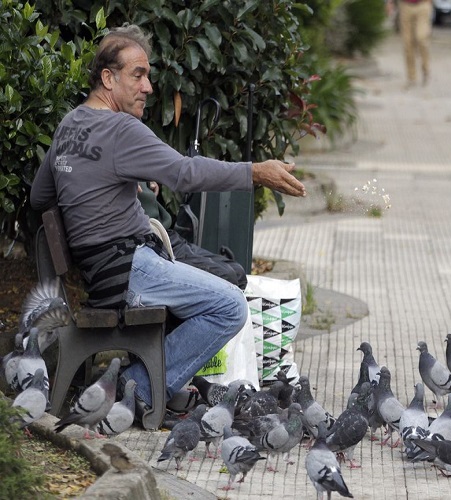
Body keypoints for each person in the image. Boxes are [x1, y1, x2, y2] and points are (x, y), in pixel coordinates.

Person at [30, 24, 306, 418]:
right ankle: (138, 391)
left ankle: (158, 385)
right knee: (230, 305)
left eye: (148, 76)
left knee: (213, 275)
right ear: (108, 79)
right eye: (137, 75)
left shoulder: (69, 124)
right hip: (127, 270)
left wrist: (110, 185)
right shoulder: (121, 128)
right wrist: (255, 172)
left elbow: (41, 197)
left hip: (101, 272)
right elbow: (185, 173)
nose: (148, 88)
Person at [137, 181, 248, 289]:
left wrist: (146, 180)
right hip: (148, 243)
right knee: (226, 278)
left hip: (165, 233)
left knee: (238, 273)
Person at [398, 0, 433, 88]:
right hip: (405, 5)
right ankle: (411, 77)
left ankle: (426, 69)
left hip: (423, 5)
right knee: (407, 43)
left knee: (421, 38)